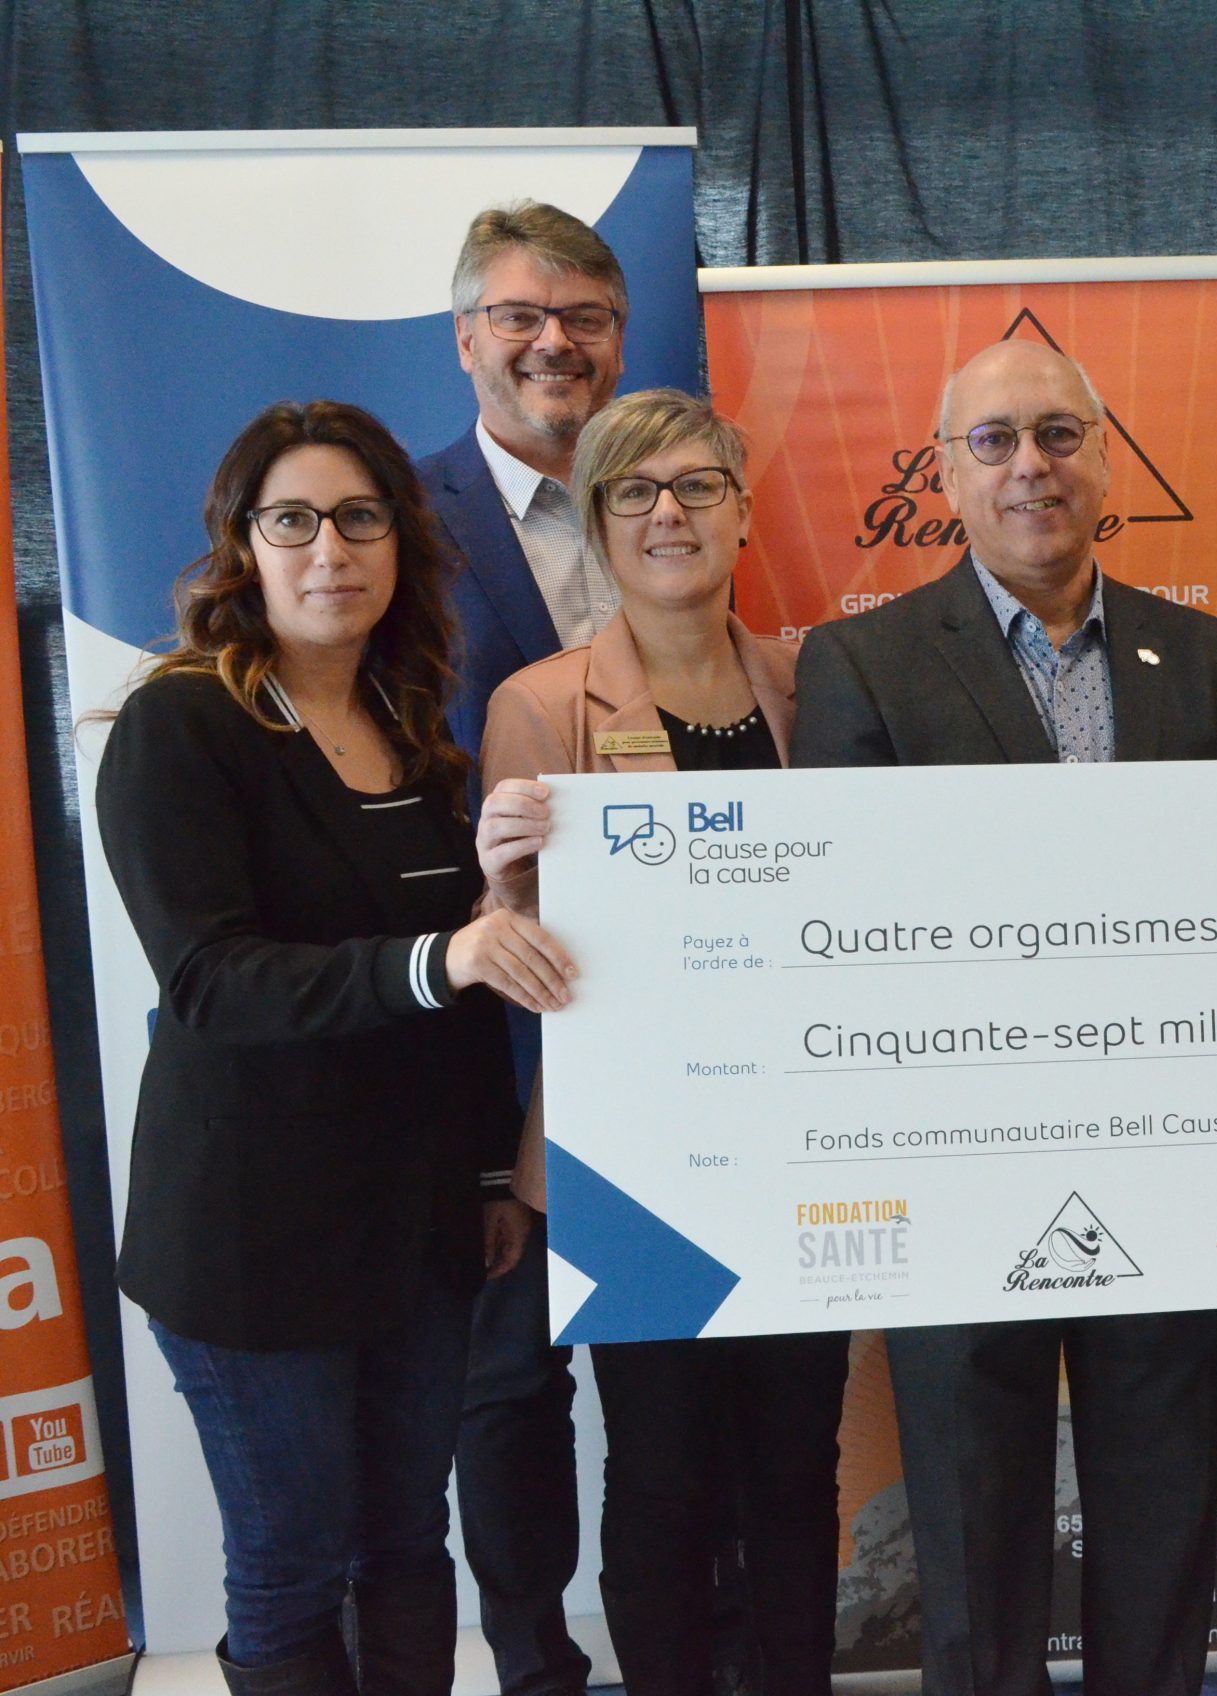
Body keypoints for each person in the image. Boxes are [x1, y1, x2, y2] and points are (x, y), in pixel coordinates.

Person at [793, 338, 1217, 1696]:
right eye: (994, 441)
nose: (1030, 467)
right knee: (971, 1523)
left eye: (1059, 435)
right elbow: (843, 930)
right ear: (946, 475)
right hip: (960, 1164)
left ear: (1106, 459)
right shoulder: (863, 662)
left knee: (1162, 1516)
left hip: (1171, 1153)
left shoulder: (1212, 661)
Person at [96, 401, 574, 1696]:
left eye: (360, 517)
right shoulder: (179, 726)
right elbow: (211, 979)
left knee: (408, 1543)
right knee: (294, 1564)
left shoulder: (411, 724)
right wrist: (443, 957)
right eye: (294, 520)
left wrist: (491, 1175)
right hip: (255, 1242)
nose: (331, 549)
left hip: (416, 1226)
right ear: (242, 545)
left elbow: (465, 989)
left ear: (401, 541)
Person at [473, 391, 846, 1696]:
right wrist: (501, 891)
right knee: (666, 1470)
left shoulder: (817, 686)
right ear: (598, 523)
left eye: (696, 486)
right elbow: (515, 945)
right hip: (634, 1161)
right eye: (633, 491)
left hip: (801, 1139)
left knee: (798, 1465)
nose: (668, 513)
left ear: (743, 514)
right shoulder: (542, 704)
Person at [421, 200, 628, 1696]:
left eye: (585, 318)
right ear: (467, 339)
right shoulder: (398, 520)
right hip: (482, 1030)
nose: (554, 341)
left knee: (685, 1362)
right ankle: (534, 1662)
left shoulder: (666, 497)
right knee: (506, 1383)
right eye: (520, 316)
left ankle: (701, 1648)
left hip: (672, 1013)